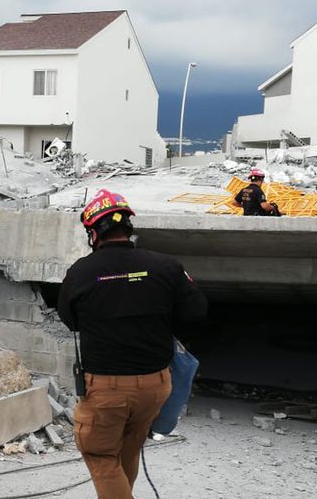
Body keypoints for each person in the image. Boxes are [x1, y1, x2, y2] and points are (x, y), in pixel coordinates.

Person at [57, 189, 207, 499]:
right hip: (155, 386)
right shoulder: (166, 266)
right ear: (128, 226)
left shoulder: (80, 273)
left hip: (106, 389)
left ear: (94, 233)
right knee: (128, 447)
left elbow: (70, 320)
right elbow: (196, 312)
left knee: (100, 455)